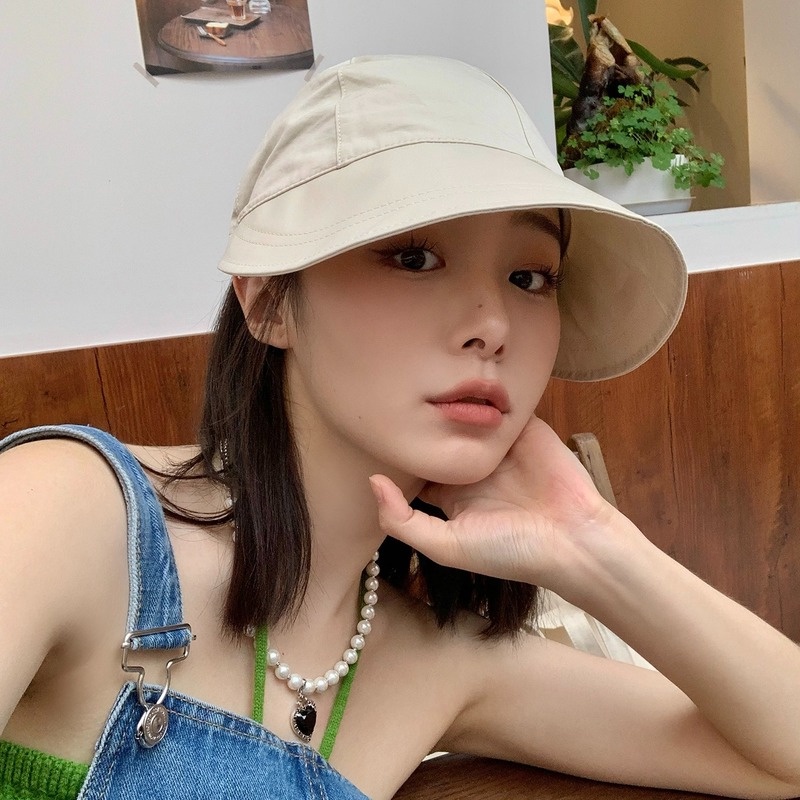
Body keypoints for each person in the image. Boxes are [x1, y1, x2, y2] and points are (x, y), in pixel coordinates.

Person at [1, 55, 798, 800]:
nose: (493, 325)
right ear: (269, 301)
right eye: (415, 257)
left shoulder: (443, 663)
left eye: (530, 276)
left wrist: (592, 541)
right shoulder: (68, 514)